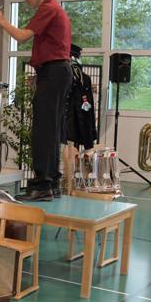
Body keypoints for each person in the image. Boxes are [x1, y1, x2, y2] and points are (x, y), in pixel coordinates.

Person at [0, 0, 73, 201]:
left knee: (43, 130)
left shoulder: (49, 8)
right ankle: (52, 182)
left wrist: (0, 19)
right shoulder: (53, 8)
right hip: (56, 72)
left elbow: (21, 36)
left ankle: (42, 184)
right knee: (51, 129)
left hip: (54, 72)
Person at [61, 44, 96, 195]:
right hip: (80, 120)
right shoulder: (83, 77)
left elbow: (87, 103)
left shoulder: (66, 74)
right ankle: (74, 184)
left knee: (70, 151)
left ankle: (69, 184)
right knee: (74, 151)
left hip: (70, 120)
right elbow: (88, 105)